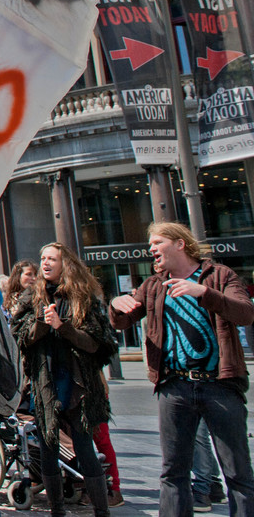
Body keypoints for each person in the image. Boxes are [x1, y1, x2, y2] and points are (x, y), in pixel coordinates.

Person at [109, 221, 254, 517]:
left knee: (237, 472)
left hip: (220, 385)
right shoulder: (154, 284)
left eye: (157, 242)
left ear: (180, 244)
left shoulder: (220, 276)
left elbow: (245, 314)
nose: (151, 249)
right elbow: (122, 321)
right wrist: (115, 303)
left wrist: (202, 292)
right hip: (174, 386)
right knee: (173, 472)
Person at [11, 242, 115, 517]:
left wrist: (62, 326)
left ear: (64, 264)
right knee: (48, 446)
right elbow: (20, 338)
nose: (45, 263)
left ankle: (101, 510)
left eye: (52, 259)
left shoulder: (83, 297)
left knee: (84, 446)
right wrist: (42, 325)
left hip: (76, 382)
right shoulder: (32, 297)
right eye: (43, 258)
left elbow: (96, 343)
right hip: (45, 381)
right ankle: (56, 510)